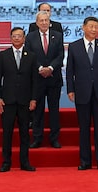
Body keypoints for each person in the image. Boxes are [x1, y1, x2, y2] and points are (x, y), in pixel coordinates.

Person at [67, 16, 98, 171]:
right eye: (91, 26)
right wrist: (70, 89)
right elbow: (70, 71)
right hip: (82, 92)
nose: (94, 29)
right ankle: (85, 161)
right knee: (84, 129)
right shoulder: (74, 47)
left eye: (96, 27)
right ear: (83, 27)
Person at [0, 27, 37, 172]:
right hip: (8, 100)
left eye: (19, 36)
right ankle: (6, 162)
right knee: (7, 133)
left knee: (25, 133)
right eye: (14, 36)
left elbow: (34, 80)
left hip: (25, 101)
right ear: (10, 38)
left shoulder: (31, 56)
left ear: (24, 38)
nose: (17, 38)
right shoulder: (2, 55)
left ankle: (25, 162)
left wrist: (33, 99)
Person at [25, 11, 64, 148]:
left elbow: (60, 55)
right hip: (37, 79)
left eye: (46, 20)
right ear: (37, 23)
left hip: (54, 79)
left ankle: (54, 138)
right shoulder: (30, 37)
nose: (43, 23)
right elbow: (29, 56)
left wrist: (51, 68)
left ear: (49, 22)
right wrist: (40, 68)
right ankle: (37, 138)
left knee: (54, 110)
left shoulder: (58, 36)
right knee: (38, 110)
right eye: (41, 21)